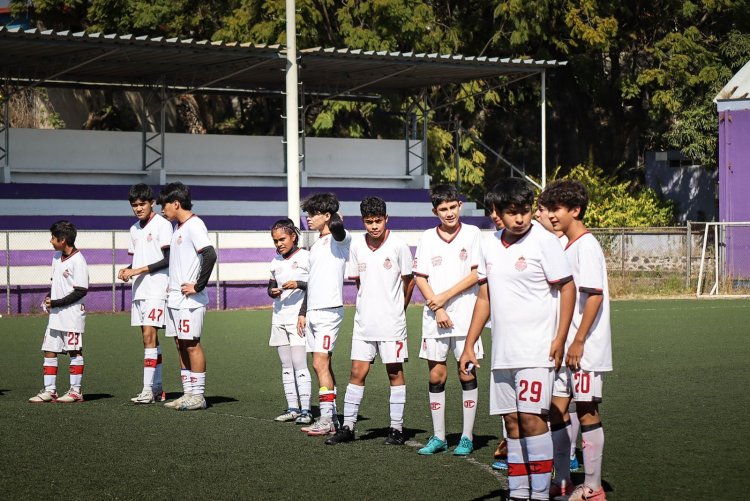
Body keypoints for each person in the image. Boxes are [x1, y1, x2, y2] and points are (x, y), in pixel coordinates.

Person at [459, 178, 576, 501]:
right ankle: (518, 493)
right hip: (503, 353)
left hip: (537, 350)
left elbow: (567, 287)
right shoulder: (489, 244)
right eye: (513, 212)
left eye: (525, 211)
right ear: (497, 212)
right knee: (511, 423)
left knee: (532, 419)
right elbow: (485, 297)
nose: (521, 218)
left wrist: (561, 338)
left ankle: (539, 495)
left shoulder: (545, 241)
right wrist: (470, 343)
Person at [539, 180, 612, 501]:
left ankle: (594, 486)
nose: (551, 215)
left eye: (557, 209)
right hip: (564, 347)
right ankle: (564, 481)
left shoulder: (586, 245)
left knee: (586, 410)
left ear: (575, 210)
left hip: (584, 348)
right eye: (549, 209)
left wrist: (579, 341)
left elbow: (594, 296)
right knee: (556, 410)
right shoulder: (566, 245)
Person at [325, 197, 415, 446]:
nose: (374, 226)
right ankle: (348, 426)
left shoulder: (399, 246)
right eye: (369, 221)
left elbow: (410, 282)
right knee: (357, 372)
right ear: (363, 221)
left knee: (394, 372)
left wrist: (400, 308)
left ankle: (396, 428)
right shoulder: (356, 246)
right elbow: (358, 281)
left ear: (386, 219)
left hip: (392, 324)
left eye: (378, 221)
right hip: (364, 322)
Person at [413, 184, 482, 456]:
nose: (449, 213)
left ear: (460, 206)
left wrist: (445, 297)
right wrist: (438, 308)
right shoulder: (427, 237)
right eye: (443, 209)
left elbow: (476, 274)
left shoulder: (474, 234)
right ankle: (439, 436)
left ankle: (466, 437)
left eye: (453, 207)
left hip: (466, 316)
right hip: (435, 319)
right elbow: (420, 276)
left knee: (466, 371)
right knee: (437, 373)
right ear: (435, 211)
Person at [159, 182, 217, 411]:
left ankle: (199, 396)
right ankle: (188, 393)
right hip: (174, 299)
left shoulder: (194, 225)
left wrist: (198, 285)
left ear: (176, 203)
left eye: (164, 204)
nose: (162, 210)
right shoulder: (178, 228)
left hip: (190, 300)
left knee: (192, 344)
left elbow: (210, 255)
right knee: (179, 343)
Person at [297, 193, 351, 436]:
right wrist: (303, 312)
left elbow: (339, 230)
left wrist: (336, 218)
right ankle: (332, 417)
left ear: (327, 216)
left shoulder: (340, 241)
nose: (308, 218)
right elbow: (311, 282)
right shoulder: (316, 243)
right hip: (314, 312)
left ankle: (327, 419)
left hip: (330, 311)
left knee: (320, 363)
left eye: (313, 214)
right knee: (320, 364)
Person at [117, 183, 172, 404]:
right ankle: (157, 388)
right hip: (139, 289)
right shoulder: (133, 229)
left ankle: (147, 390)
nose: (138, 208)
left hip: (156, 288)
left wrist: (137, 270)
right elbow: (139, 257)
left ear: (152, 203)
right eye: (134, 205)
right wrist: (127, 269)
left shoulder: (163, 224)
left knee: (150, 336)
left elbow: (168, 259)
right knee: (148, 339)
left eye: (142, 204)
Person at [29, 220, 89, 404]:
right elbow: (55, 283)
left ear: (62, 240)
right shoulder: (56, 257)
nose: (50, 240)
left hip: (72, 315)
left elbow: (81, 290)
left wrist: (56, 302)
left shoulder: (79, 260)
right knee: (49, 350)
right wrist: (48, 298)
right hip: (56, 315)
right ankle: (50, 391)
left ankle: (75, 391)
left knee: (74, 351)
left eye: (53, 238)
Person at [268, 218, 313, 425]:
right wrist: (273, 292)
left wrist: (299, 283)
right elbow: (270, 287)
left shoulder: (306, 257)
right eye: (275, 240)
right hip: (279, 317)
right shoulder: (275, 262)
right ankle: (293, 408)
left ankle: (307, 410)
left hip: (298, 319)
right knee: (286, 365)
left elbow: (314, 286)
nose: (279, 244)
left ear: (293, 236)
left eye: (282, 239)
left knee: (299, 363)